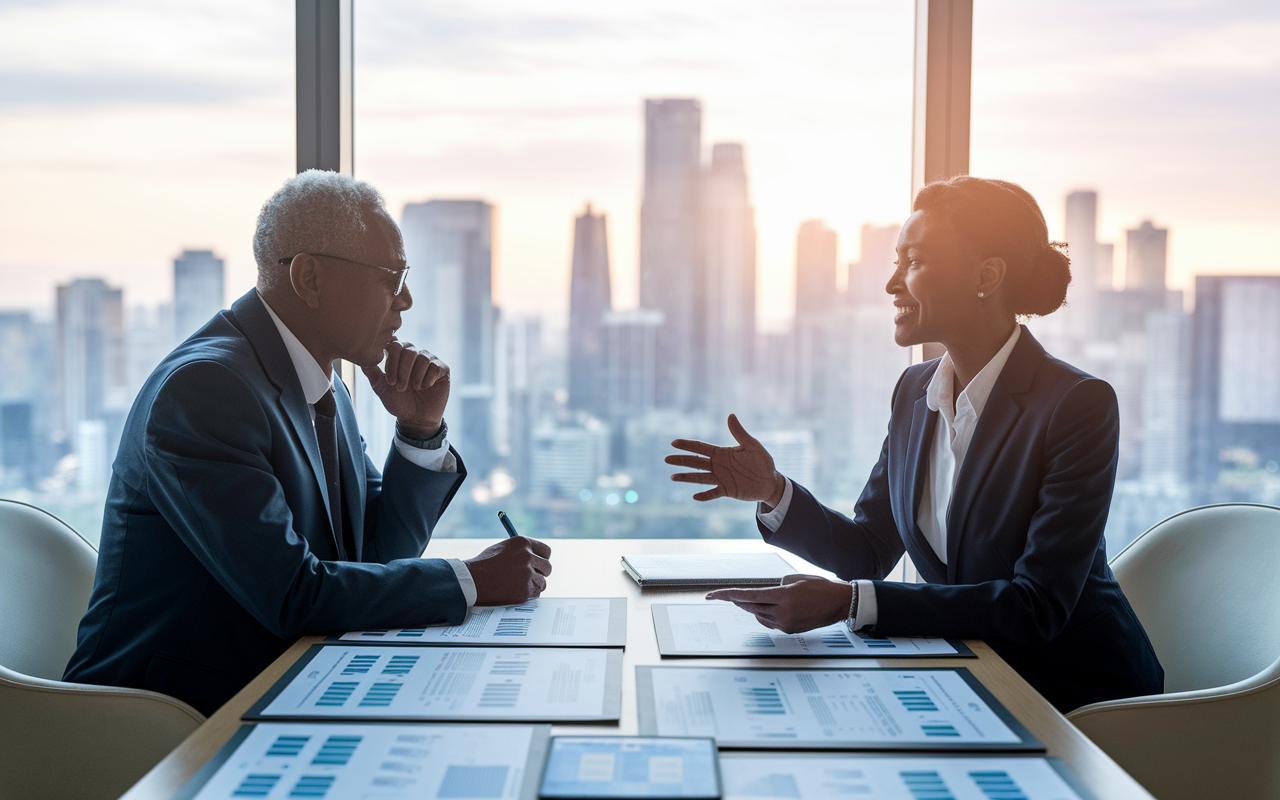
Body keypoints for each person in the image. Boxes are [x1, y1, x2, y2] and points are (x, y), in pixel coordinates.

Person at [666, 176, 1163, 713]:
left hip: (1079, 694)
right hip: (969, 672)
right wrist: (774, 492)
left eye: (915, 262)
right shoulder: (914, 391)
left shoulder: (1076, 405)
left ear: (986, 275)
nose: (892, 284)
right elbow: (869, 550)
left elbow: (1036, 606)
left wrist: (850, 602)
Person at [65, 171, 551, 714]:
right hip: (162, 715)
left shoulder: (321, 384)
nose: (406, 300)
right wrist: (471, 580)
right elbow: (293, 596)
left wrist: (418, 433)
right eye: (392, 277)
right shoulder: (204, 391)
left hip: (280, 682)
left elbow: (373, 557)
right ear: (310, 277)